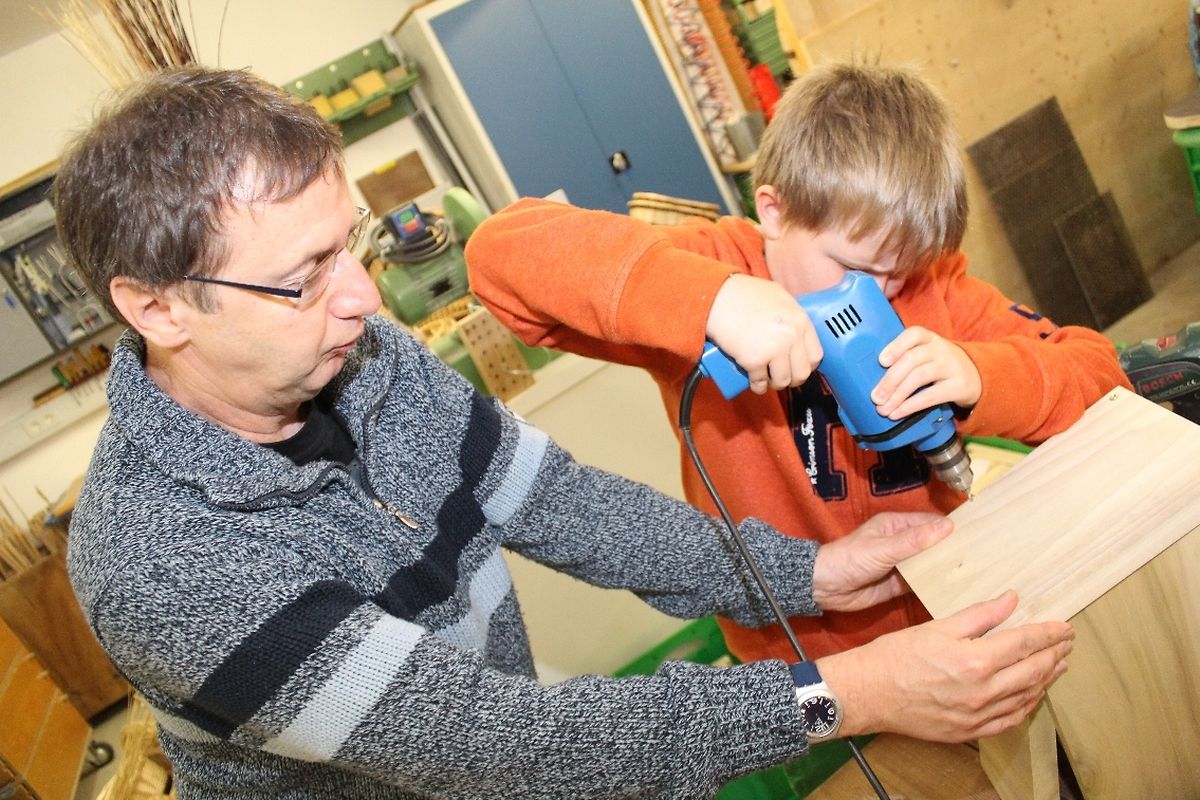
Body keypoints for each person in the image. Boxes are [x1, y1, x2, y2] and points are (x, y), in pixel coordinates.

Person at [56, 66, 1072, 800]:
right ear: (156, 308)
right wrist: (845, 692)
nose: (363, 297)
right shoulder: (162, 563)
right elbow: (502, 745)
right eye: (302, 277)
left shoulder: (365, 363)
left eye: (348, 247)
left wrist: (806, 574)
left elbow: (566, 505)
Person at [466, 62, 1130, 666]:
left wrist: (981, 376)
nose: (881, 295)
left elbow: (1103, 379)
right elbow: (502, 254)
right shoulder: (712, 270)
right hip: (799, 655)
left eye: (899, 274)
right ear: (775, 211)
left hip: (950, 610)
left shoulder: (936, 288)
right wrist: (710, 301)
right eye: (854, 268)